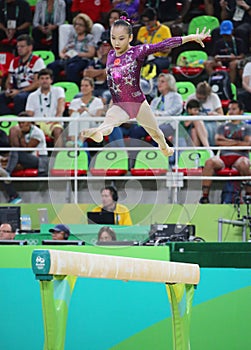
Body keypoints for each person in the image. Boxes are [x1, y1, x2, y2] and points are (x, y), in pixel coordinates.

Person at [80, 16, 210, 157]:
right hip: (120, 103)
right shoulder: (111, 55)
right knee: (109, 122)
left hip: (138, 103)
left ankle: (165, 147)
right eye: (113, 38)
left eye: (121, 39)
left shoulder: (137, 51)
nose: (116, 43)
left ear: (130, 38)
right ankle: (98, 132)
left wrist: (189, 38)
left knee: (155, 132)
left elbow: (163, 45)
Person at [199, 100, 251, 204]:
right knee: (209, 162)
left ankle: (249, 196)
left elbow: (247, 144)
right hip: (223, 157)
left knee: (244, 164)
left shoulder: (247, 127)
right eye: (229, 109)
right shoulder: (222, 126)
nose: (230, 112)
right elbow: (218, 141)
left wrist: (227, 142)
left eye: (234, 109)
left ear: (241, 111)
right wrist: (237, 143)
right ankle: (204, 197)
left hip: (240, 157)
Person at [0, 115, 48, 204]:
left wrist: (20, 136)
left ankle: (8, 173)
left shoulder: (37, 132)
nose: (20, 125)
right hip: (26, 159)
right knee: (2, 170)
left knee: (14, 153)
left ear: (29, 123)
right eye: (19, 123)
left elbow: (27, 149)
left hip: (40, 160)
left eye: (23, 123)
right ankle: (14, 196)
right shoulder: (24, 131)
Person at [0, 34, 46, 116]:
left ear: (30, 47)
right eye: (18, 47)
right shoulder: (14, 61)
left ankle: (21, 121)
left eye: (22, 46)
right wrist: (8, 89)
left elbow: (37, 83)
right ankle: (8, 118)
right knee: (1, 96)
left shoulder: (37, 61)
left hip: (31, 91)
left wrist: (20, 91)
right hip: (17, 89)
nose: (19, 49)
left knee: (19, 97)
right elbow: (9, 80)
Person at [47, 13, 96, 86]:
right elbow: (63, 51)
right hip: (68, 59)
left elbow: (91, 54)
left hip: (82, 60)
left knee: (71, 67)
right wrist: (63, 55)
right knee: (51, 66)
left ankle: (73, 88)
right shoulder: (73, 37)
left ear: (86, 26)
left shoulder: (89, 38)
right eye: (76, 24)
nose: (77, 27)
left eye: (80, 25)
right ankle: (54, 86)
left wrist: (77, 54)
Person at [25, 68, 65, 147]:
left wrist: (55, 120)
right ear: (38, 81)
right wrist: (33, 125)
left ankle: (57, 157)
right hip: (37, 123)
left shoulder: (58, 90)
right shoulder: (32, 95)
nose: (44, 81)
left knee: (57, 130)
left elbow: (61, 106)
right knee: (31, 130)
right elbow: (29, 114)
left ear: (51, 80)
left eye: (47, 78)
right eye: (42, 79)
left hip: (54, 122)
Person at [204, 20, 245, 84]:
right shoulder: (218, 42)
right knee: (207, 63)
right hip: (222, 61)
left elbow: (242, 55)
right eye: (224, 34)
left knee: (233, 64)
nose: (226, 36)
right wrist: (216, 58)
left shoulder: (239, 41)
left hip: (235, 60)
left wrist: (235, 57)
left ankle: (230, 85)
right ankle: (215, 81)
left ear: (232, 31)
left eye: (227, 34)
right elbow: (214, 55)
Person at [186, 81, 224, 146]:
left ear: (208, 95)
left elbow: (222, 118)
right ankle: (203, 150)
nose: (200, 99)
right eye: (199, 97)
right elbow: (186, 118)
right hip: (194, 125)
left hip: (212, 123)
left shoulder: (214, 97)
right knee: (194, 128)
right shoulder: (191, 98)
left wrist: (214, 115)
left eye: (203, 98)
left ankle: (206, 149)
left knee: (196, 129)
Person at [136, 7, 172, 74]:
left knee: (151, 66)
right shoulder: (142, 30)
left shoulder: (164, 29)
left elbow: (168, 49)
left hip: (160, 58)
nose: (146, 24)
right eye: (144, 21)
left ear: (155, 19)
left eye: (148, 21)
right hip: (144, 57)